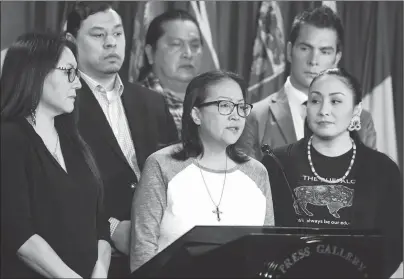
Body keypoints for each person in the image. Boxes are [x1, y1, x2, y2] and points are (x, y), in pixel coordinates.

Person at [65, 2, 178, 276]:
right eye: (98, 35)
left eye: (117, 33)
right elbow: (58, 186)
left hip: (162, 249)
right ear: (71, 41)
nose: (111, 43)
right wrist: (112, 228)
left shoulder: (151, 101)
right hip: (95, 255)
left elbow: (177, 171)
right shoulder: (62, 102)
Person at [262, 68, 402, 278]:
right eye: (315, 101)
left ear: (356, 110)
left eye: (336, 101)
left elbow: (393, 245)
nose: (323, 110)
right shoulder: (276, 162)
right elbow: (261, 239)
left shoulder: (382, 169)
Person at [130, 70, 275, 272]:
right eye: (225, 105)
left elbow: (267, 255)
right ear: (196, 114)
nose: (236, 115)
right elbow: (143, 254)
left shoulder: (257, 172)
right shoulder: (161, 165)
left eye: (241, 107)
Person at [1, 32, 111, 278]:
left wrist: (101, 271)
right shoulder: (9, 139)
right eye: (69, 71)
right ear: (36, 72)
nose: (79, 83)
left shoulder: (75, 141)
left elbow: (101, 226)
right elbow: (17, 232)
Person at [237, 6, 376, 161]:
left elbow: (373, 182)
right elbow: (246, 182)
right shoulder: (255, 118)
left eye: (324, 52)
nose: (313, 61)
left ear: (336, 58)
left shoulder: (361, 120)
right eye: (305, 48)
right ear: (290, 51)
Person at [138, 9, 203, 138]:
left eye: (195, 45)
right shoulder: (134, 103)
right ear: (150, 53)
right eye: (176, 44)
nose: (188, 54)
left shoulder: (216, 100)